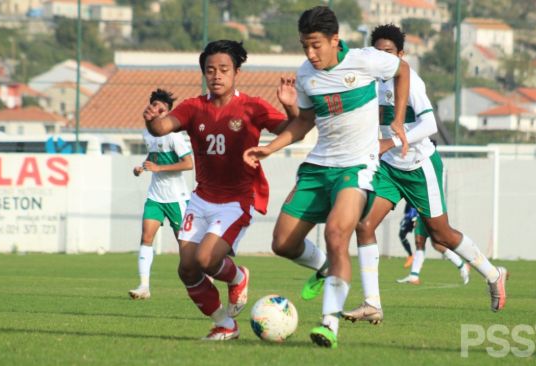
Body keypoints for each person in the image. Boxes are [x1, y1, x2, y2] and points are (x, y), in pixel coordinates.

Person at [243, 6, 410, 349]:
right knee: (283, 243)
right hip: (318, 166)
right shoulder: (306, 74)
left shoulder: (366, 60)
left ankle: (328, 323)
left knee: (337, 235)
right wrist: (269, 148)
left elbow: (403, 69)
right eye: (305, 45)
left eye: (316, 45)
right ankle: (324, 267)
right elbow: (304, 122)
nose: (310, 53)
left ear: (335, 40)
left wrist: (398, 118)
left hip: (356, 167)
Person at [341, 24, 507, 326]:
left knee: (440, 235)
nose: (382, 57)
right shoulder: (369, 82)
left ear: (401, 55)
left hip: (419, 166)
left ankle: (494, 274)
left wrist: (389, 142)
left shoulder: (411, 81)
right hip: (388, 169)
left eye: (388, 52)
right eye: (377, 52)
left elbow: (430, 126)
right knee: (364, 225)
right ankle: (372, 303)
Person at [143, 40, 296, 340]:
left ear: (237, 71)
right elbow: (162, 128)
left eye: (224, 69)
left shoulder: (252, 107)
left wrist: (290, 105)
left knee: (205, 260)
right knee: (187, 269)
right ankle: (225, 324)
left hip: (237, 200)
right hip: (201, 199)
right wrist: (151, 123)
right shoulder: (193, 107)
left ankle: (238, 276)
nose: (217, 75)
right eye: (210, 70)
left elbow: (292, 127)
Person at [129, 89, 194, 300]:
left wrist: (159, 168)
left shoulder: (175, 135)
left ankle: (204, 279)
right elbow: (153, 157)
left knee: (185, 247)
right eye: (154, 106)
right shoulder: (147, 133)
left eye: (162, 109)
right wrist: (143, 167)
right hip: (156, 196)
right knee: (146, 236)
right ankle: (144, 286)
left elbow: (188, 163)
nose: (157, 111)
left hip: (176, 198)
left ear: (167, 114)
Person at [396, 214, 470, 286]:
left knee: (437, 244)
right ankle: (414, 276)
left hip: (432, 215)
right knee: (419, 242)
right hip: (420, 217)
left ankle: (462, 266)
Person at [398, 202, 417, 267]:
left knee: (420, 237)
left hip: (413, 217)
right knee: (401, 235)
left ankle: (413, 258)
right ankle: (412, 257)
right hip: (409, 216)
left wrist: (415, 219)